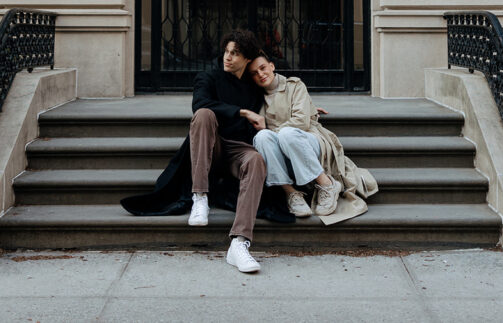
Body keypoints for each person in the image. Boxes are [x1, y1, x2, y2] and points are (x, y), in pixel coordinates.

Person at [121, 29, 292, 273]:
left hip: (238, 149)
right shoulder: (208, 78)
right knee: (203, 115)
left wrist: (305, 107)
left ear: (246, 59)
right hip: (210, 143)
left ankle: (239, 243)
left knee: (255, 160)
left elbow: (280, 97)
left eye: (235, 53)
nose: (228, 57)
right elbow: (199, 104)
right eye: (226, 51)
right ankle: (199, 196)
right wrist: (243, 112)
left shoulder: (253, 87)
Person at [248, 53, 378, 224]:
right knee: (263, 137)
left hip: (309, 141)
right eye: (254, 73)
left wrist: (304, 111)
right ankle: (291, 194)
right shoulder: (256, 98)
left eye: (263, 68)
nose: (260, 74)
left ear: (272, 66)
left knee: (287, 133)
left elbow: (300, 122)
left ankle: (326, 184)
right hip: (284, 152)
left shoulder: (294, 85)